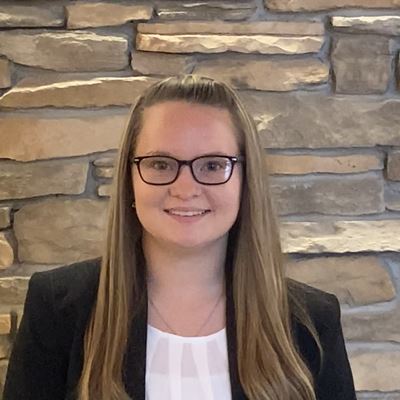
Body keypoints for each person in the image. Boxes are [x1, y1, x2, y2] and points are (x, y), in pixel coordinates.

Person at [3, 75, 356, 400]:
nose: (185, 188)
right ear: (129, 178)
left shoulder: (311, 321)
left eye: (213, 165)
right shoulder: (59, 308)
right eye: (160, 164)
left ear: (245, 181)